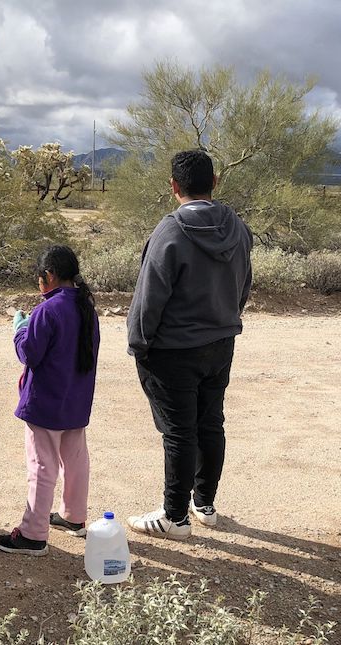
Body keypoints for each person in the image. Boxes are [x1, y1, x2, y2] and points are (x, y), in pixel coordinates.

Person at [126, 149, 252, 540]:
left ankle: (174, 516)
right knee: (210, 422)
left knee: (179, 432)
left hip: (174, 349)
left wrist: (139, 344)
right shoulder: (238, 228)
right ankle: (205, 504)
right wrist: (227, 317)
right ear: (215, 182)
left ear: (173, 186)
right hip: (221, 341)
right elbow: (243, 284)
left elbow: (149, 299)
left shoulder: (171, 232)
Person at [0, 245, 99, 556]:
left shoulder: (47, 311)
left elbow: (29, 353)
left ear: (49, 276)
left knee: (42, 465)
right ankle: (73, 517)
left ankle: (33, 534)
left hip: (46, 402)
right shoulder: (85, 308)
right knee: (76, 459)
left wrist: (20, 330)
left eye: (39, 278)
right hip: (76, 400)